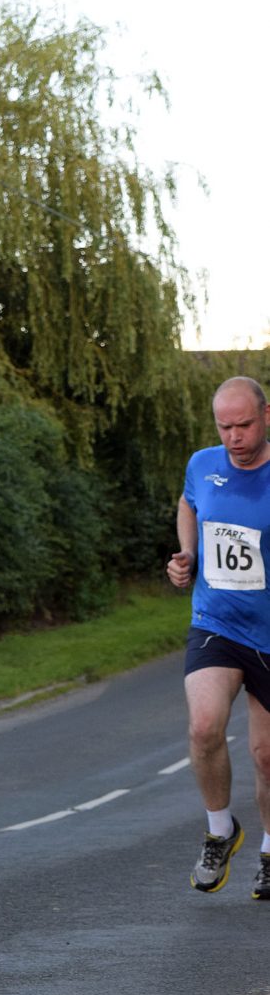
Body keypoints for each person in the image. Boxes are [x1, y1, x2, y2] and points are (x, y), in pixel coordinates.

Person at [166, 375, 270, 900]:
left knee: (265, 754)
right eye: (225, 426)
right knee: (205, 726)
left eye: (244, 425)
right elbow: (190, 504)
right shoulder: (203, 464)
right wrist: (187, 554)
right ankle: (220, 828)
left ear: (266, 416)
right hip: (217, 621)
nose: (234, 436)